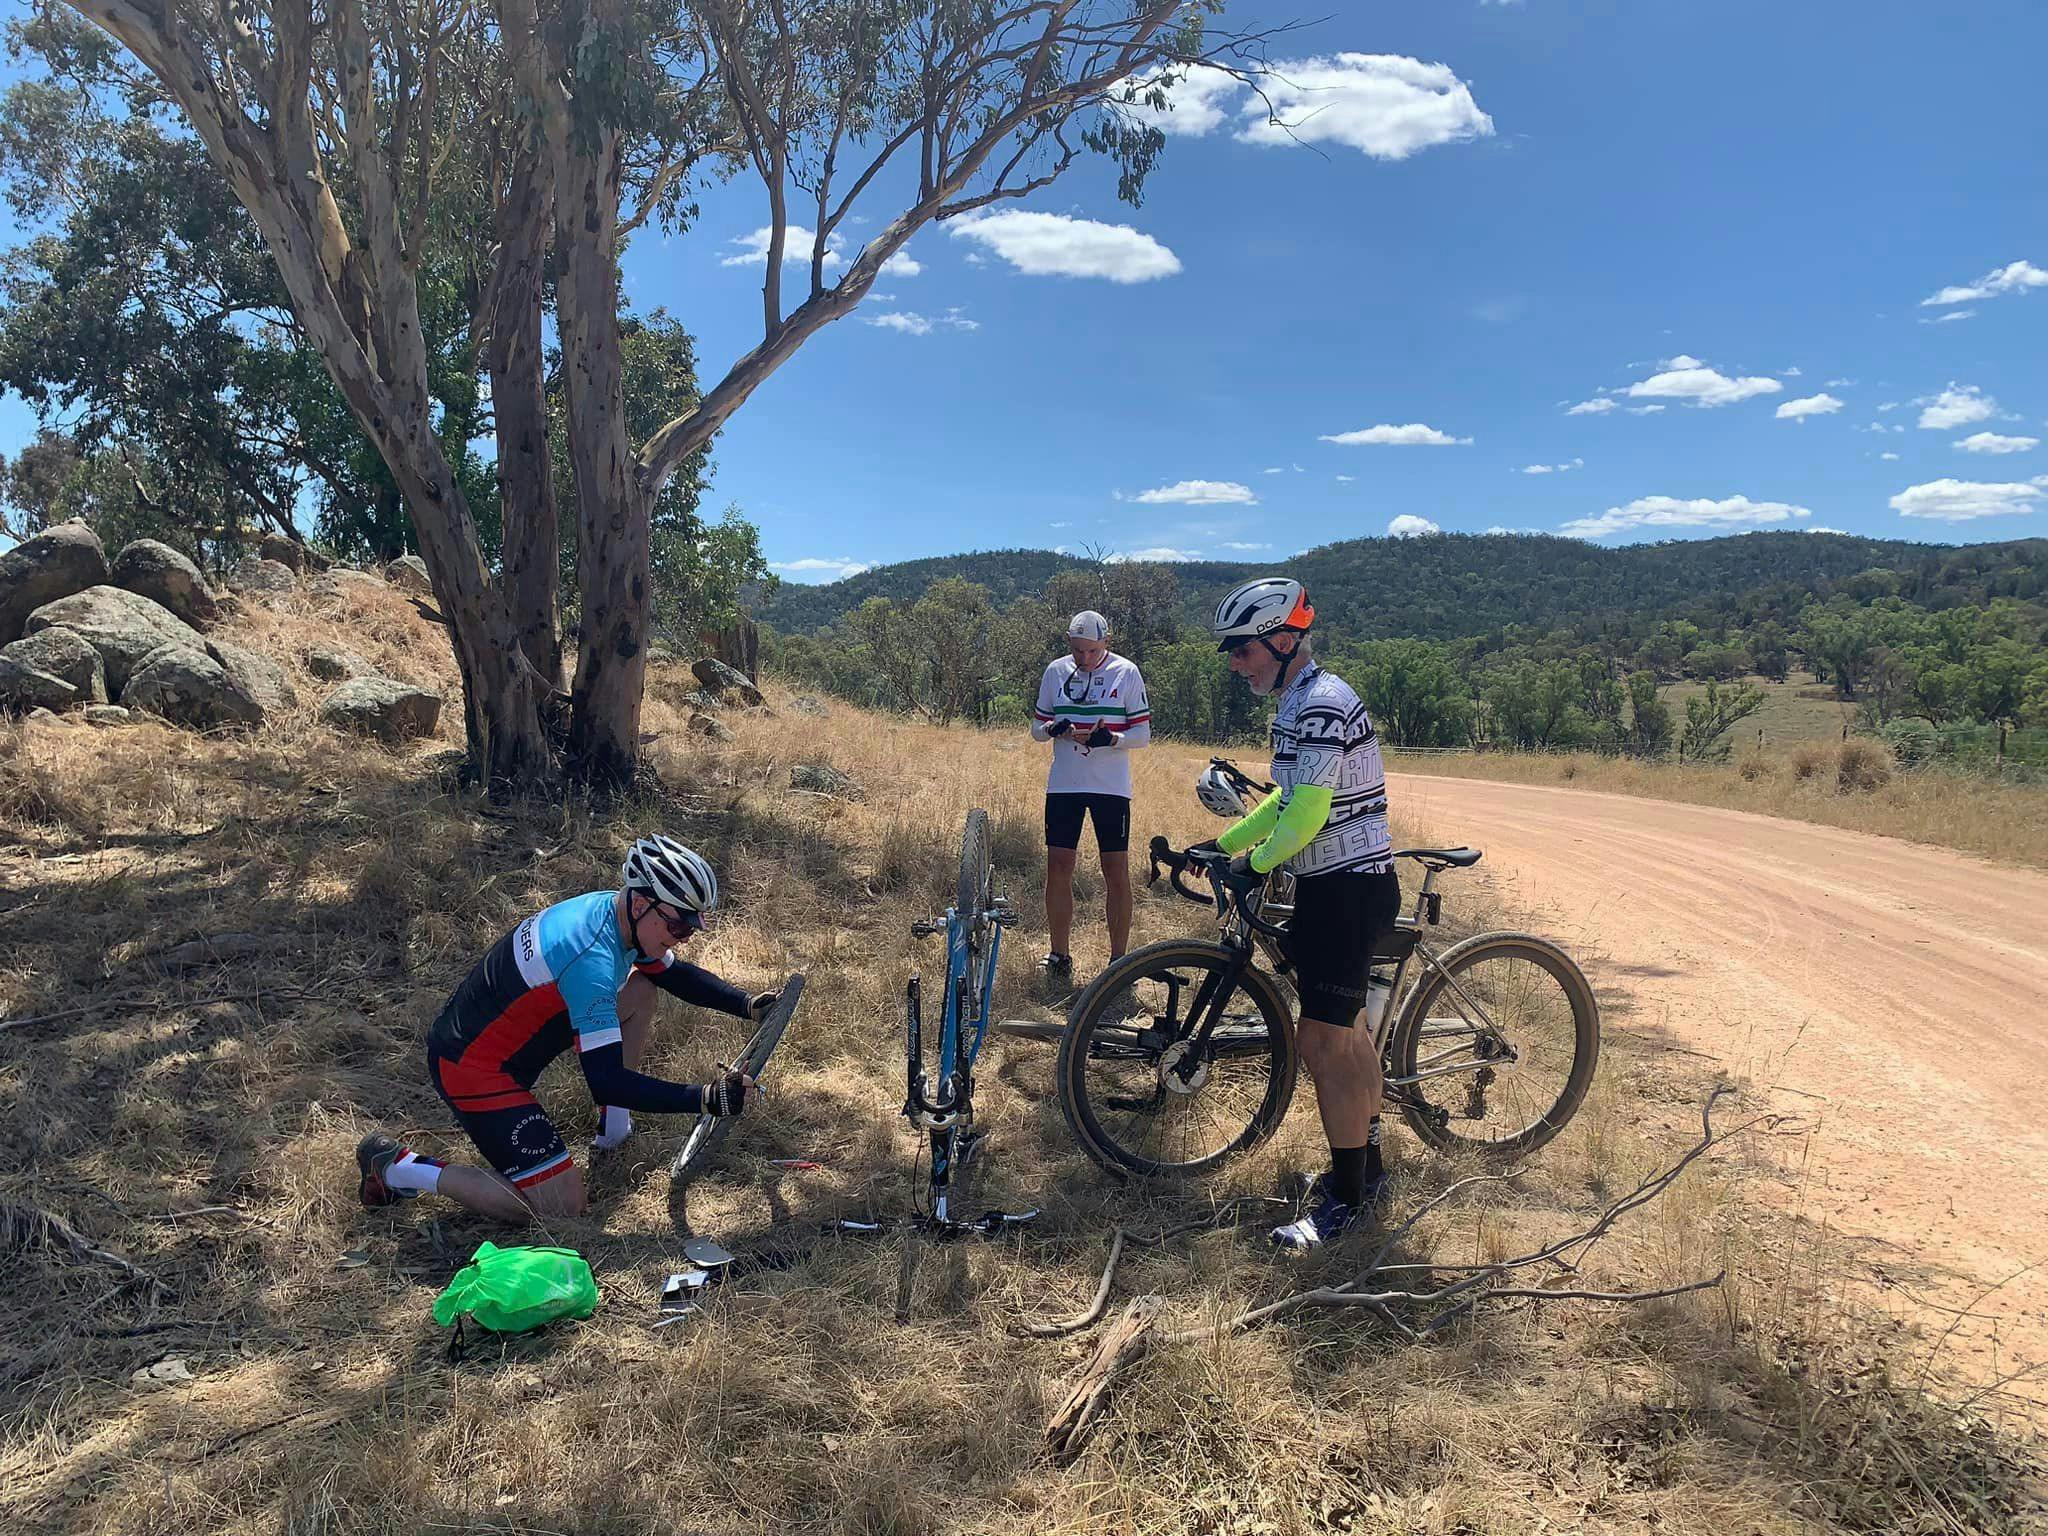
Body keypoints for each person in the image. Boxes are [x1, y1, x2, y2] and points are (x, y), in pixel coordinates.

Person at [354, 835, 778, 1223]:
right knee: (561, 1208)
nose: (684, 937)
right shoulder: (591, 961)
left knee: (644, 985)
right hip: (472, 1070)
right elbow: (607, 1082)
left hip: (504, 1037)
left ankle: (614, 1133)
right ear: (640, 903)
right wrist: (704, 1098)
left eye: (692, 927)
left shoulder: (614, 912)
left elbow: (673, 975)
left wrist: (746, 1004)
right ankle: (398, 1168)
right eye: (678, 925)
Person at [1207, 577, 1401, 1249]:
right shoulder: (1296, 701)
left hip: (1347, 888)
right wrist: (1226, 844)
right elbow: (1283, 801)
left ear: (1283, 640)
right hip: (1333, 884)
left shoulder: (1321, 702)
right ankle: (1368, 1166)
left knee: (1324, 1043)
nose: (1235, 661)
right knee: (1348, 1038)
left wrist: (1255, 863)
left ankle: (1347, 1202)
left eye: (1242, 648)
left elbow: (1310, 814)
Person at [1029, 610, 1151, 982]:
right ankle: (1059, 954)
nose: (1084, 658)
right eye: (1078, 651)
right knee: (1059, 866)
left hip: (1110, 788)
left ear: (1106, 642)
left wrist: (1112, 739)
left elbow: (1142, 735)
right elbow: (1036, 728)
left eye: (1092, 651)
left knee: (1115, 871)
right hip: (1065, 783)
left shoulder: (1126, 672)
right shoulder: (1056, 671)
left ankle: (1118, 962)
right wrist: (1053, 729)